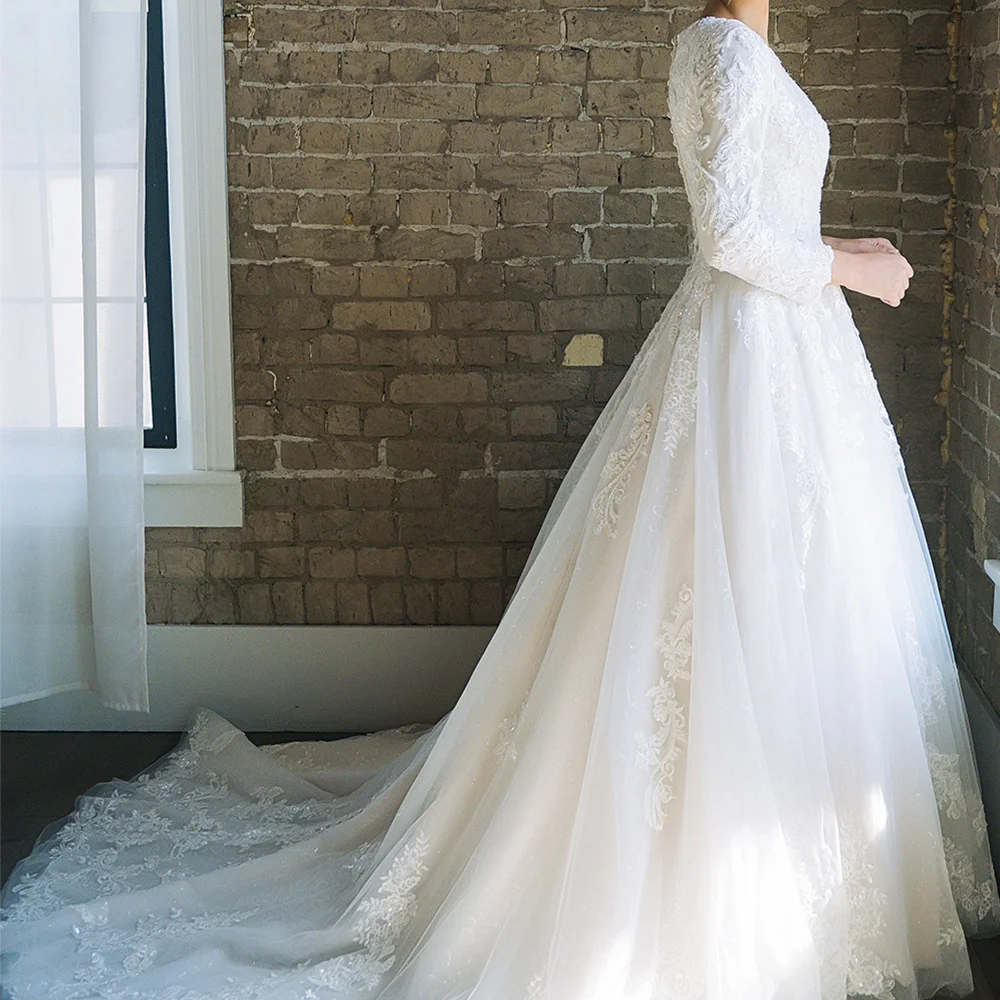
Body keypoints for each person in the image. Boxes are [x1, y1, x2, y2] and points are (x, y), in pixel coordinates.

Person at [2, 1, 998, 998]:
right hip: (748, 361)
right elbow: (730, 234)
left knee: (795, 609)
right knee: (718, 605)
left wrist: (827, 243)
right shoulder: (717, 48)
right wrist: (851, 269)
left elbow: (760, 208)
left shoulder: (749, 47)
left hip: (786, 360)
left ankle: (800, 876)